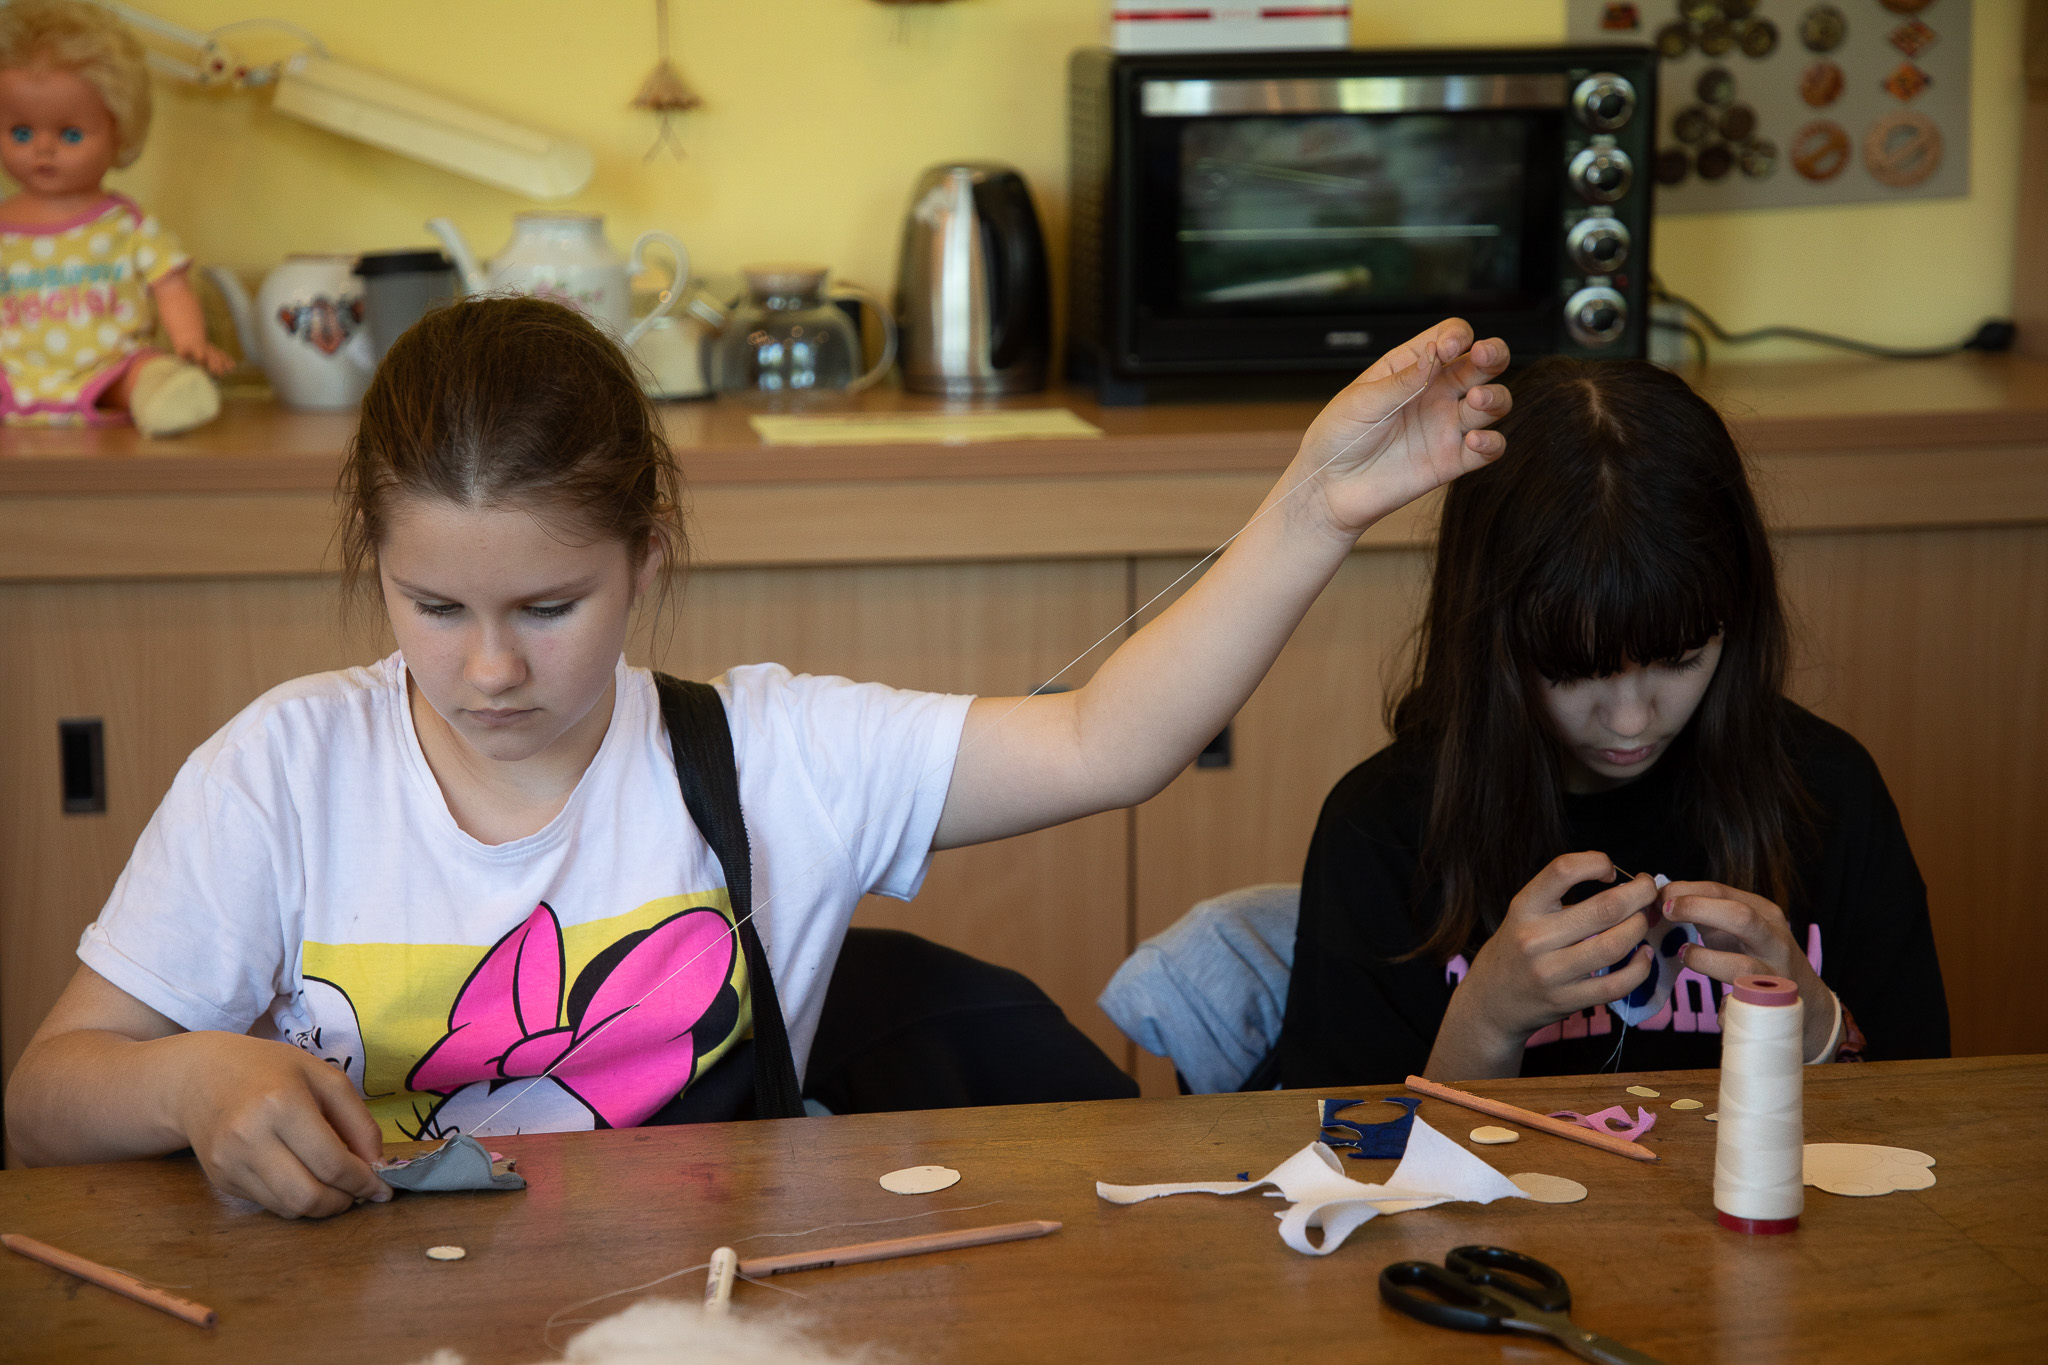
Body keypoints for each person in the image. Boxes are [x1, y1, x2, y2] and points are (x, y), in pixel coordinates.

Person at [4, 297, 1511, 1217]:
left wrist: (1312, 508)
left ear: (647, 556)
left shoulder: (766, 755)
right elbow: (45, 1098)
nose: (489, 670)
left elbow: (1105, 741)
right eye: (432, 608)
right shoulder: (283, 773)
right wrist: (192, 1080)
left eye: (548, 608)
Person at [1278, 357, 1950, 1088]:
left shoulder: (1831, 794)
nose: (1632, 720)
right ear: (1492, 642)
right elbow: (1349, 1148)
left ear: (1739, 617)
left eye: (1682, 658)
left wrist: (1818, 1024)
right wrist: (1486, 1021)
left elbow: (1920, 1121)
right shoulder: (1381, 831)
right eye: (1575, 671)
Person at [0, 1, 231, 434]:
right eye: (21, 132)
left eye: (70, 134)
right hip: (11, 374)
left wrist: (191, 344)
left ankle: (164, 393)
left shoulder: (128, 227)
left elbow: (171, 287)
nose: (43, 149)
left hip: (110, 372)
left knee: (145, 371)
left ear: (120, 130)